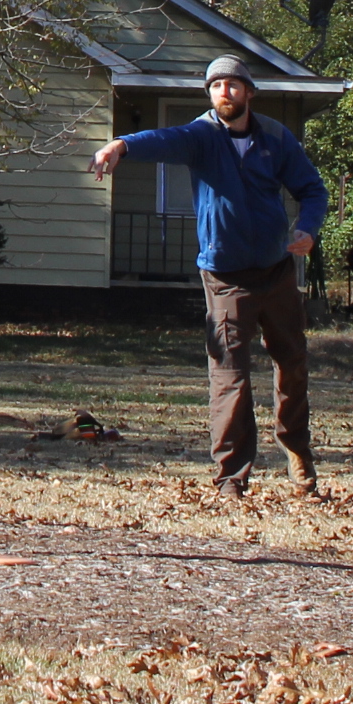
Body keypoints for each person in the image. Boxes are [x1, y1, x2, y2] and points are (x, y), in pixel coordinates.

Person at [90, 55, 330, 497]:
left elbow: (312, 189)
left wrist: (308, 229)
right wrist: (120, 145)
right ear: (210, 94)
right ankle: (231, 477)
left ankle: (296, 451)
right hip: (225, 276)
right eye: (216, 86)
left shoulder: (276, 138)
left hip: (276, 271)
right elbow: (163, 139)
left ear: (249, 92)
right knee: (229, 375)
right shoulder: (201, 137)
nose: (225, 92)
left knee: (292, 365)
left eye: (233, 85)